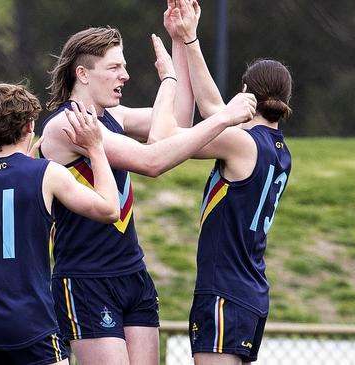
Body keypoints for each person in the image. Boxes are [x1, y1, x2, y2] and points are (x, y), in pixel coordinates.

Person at [41, 15, 257, 365]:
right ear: (83, 74)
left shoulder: (116, 117)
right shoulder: (69, 124)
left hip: (132, 275)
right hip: (87, 279)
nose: (124, 75)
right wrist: (223, 117)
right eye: (114, 68)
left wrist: (179, 40)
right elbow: (151, 161)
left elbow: (175, 125)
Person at [151, 1, 294, 364]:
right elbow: (214, 111)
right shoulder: (278, 151)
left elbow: (170, 135)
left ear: (246, 93)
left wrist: (170, 80)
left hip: (223, 293)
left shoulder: (241, 143)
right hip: (250, 293)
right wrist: (189, 39)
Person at [0, 83, 121, 365]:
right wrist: (96, 148)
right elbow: (111, 209)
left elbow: (5, 188)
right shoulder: (47, 174)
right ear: (29, 126)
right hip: (31, 323)